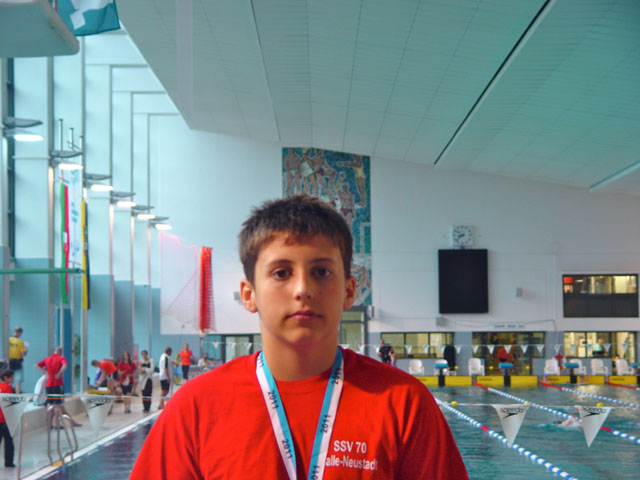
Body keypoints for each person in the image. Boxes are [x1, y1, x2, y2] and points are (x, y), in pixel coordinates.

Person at [131, 194, 468, 479]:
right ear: (249, 294)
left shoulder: (403, 404)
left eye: (322, 272)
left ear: (349, 291)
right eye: (281, 273)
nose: (303, 289)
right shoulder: (195, 408)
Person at [37, 347, 81, 428]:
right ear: (61, 352)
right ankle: (58, 423)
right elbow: (65, 365)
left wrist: (45, 372)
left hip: (49, 385)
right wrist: (59, 373)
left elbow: (37, 365)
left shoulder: (47, 359)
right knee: (58, 404)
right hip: (57, 384)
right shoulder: (61, 358)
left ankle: (49, 423)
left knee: (51, 404)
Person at [0, 370, 16, 468]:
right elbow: (10, 404)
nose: (13, 379)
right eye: (11, 377)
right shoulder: (8, 388)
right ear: (6, 378)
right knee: (9, 442)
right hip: (5, 419)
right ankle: (9, 462)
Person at [8, 327, 27, 394]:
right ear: (20, 333)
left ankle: (8, 392)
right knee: (18, 380)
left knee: (9, 377)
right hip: (17, 361)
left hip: (9, 361)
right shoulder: (20, 341)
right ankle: (17, 394)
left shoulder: (8, 340)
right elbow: (23, 353)